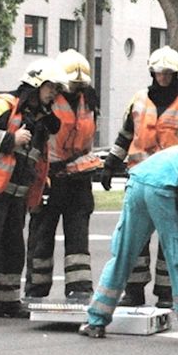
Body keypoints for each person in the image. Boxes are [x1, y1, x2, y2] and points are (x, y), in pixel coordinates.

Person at [79, 145, 178, 342]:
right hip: (167, 188)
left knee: (122, 254)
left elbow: (167, 214)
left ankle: (96, 320)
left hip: (138, 181)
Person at [101, 45, 178, 309]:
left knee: (170, 241)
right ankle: (134, 291)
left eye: (167, 73)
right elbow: (125, 136)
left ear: (176, 74)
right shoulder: (138, 100)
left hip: (173, 184)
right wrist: (110, 163)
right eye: (159, 73)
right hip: (139, 180)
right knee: (134, 240)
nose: (162, 78)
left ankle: (165, 293)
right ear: (152, 72)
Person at [0, 59, 65, 325]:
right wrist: (10, 140)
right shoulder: (3, 104)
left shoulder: (39, 120)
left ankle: (5, 302)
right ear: (36, 84)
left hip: (14, 195)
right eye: (50, 87)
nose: (54, 94)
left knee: (12, 249)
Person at [24, 50, 103, 302]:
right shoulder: (47, 101)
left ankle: (79, 288)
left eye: (81, 84)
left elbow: (88, 139)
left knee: (78, 236)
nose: (77, 88)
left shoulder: (88, 101)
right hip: (50, 177)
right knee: (42, 236)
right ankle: (36, 288)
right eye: (72, 84)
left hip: (78, 180)